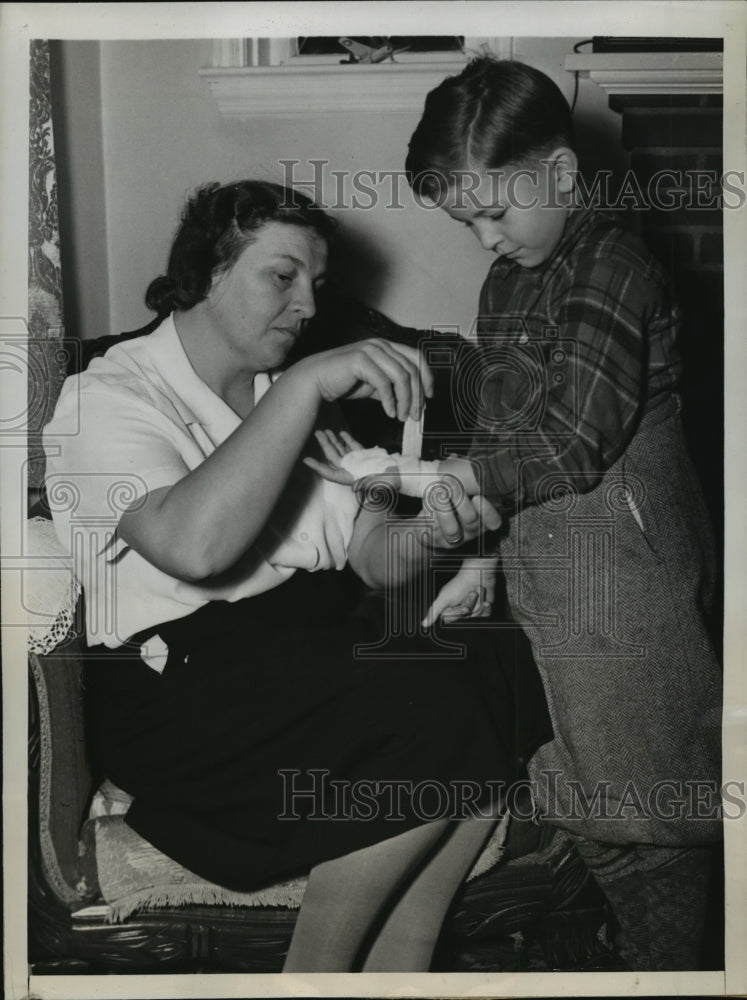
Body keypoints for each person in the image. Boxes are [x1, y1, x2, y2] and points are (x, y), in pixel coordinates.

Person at [42, 180, 551, 972]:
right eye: (281, 277)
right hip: (183, 688)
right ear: (207, 273)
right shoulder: (107, 397)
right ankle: (314, 972)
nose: (307, 305)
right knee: (426, 700)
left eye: (315, 283)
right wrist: (310, 388)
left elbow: (375, 555)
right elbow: (193, 546)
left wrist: (435, 529)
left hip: (308, 655)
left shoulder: (290, 397)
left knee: (496, 660)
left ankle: (397, 967)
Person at [318, 58, 723, 971]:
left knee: (653, 800)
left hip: (628, 582)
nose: (485, 237)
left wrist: (444, 479)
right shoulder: (508, 283)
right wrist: (476, 565)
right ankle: (629, 952)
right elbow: (506, 428)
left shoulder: (613, 260)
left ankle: (673, 970)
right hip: (549, 579)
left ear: (563, 175)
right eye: (466, 221)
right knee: (582, 786)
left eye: (496, 211)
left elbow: (574, 440)